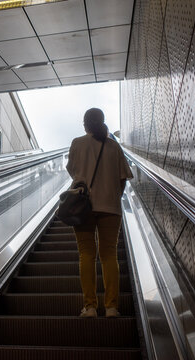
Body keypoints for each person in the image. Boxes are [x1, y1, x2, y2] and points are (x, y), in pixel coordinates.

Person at [66, 108, 133, 318]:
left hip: (82, 207)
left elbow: (73, 171)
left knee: (86, 254)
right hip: (110, 208)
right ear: (103, 122)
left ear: (85, 124)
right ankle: (112, 307)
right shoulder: (114, 147)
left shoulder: (77, 143)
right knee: (109, 255)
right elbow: (123, 179)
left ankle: (90, 307)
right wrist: (112, 197)